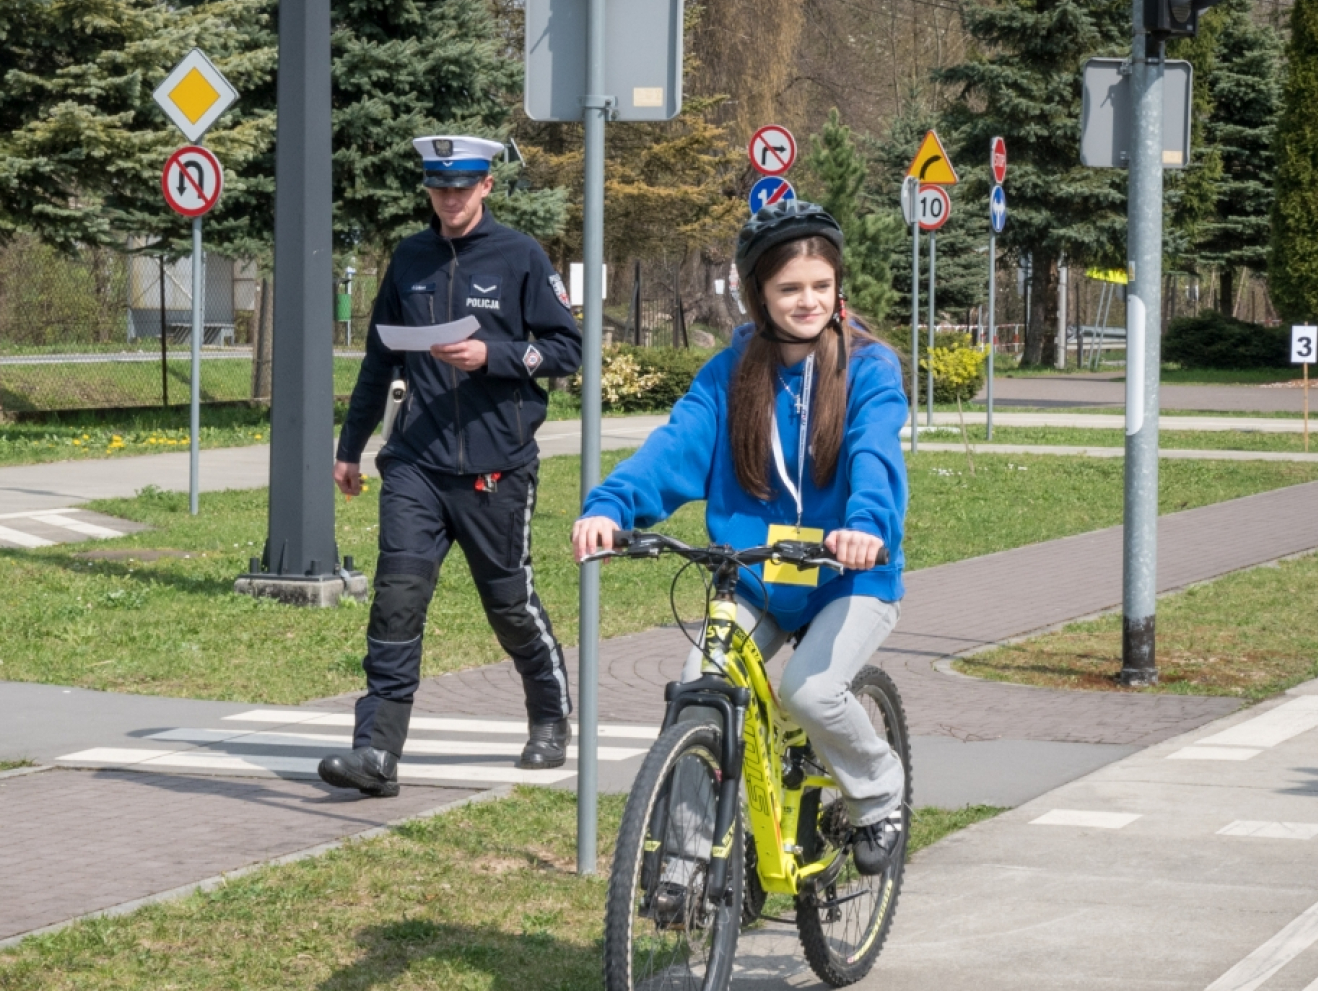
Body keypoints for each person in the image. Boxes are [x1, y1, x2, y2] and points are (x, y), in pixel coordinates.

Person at [571, 200, 910, 873]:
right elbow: (677, 446)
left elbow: (875, 452)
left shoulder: (869, 368)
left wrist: (865, 527)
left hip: (849, 573)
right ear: (757, 295)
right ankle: (688, 867)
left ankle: (879, 793)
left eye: (821, 285)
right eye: (789, 289)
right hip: (757, 571)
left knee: (810, 693)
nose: (808, 301)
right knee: (702, 692)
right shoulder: (731, 373)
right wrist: (612, 507)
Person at [319, 135, 583, 799]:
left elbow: (566, 349)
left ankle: (550, 716)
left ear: (487, 185)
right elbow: (381, 358)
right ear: (429, 191)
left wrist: (491, 356)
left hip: (498, 466)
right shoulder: (410, 258)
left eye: (463, 187)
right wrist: (350, 447)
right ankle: (376, 750)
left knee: (508, 604)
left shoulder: (520, 255)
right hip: (416, 464)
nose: (452, 199)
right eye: (440, 188)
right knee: (397, 602)